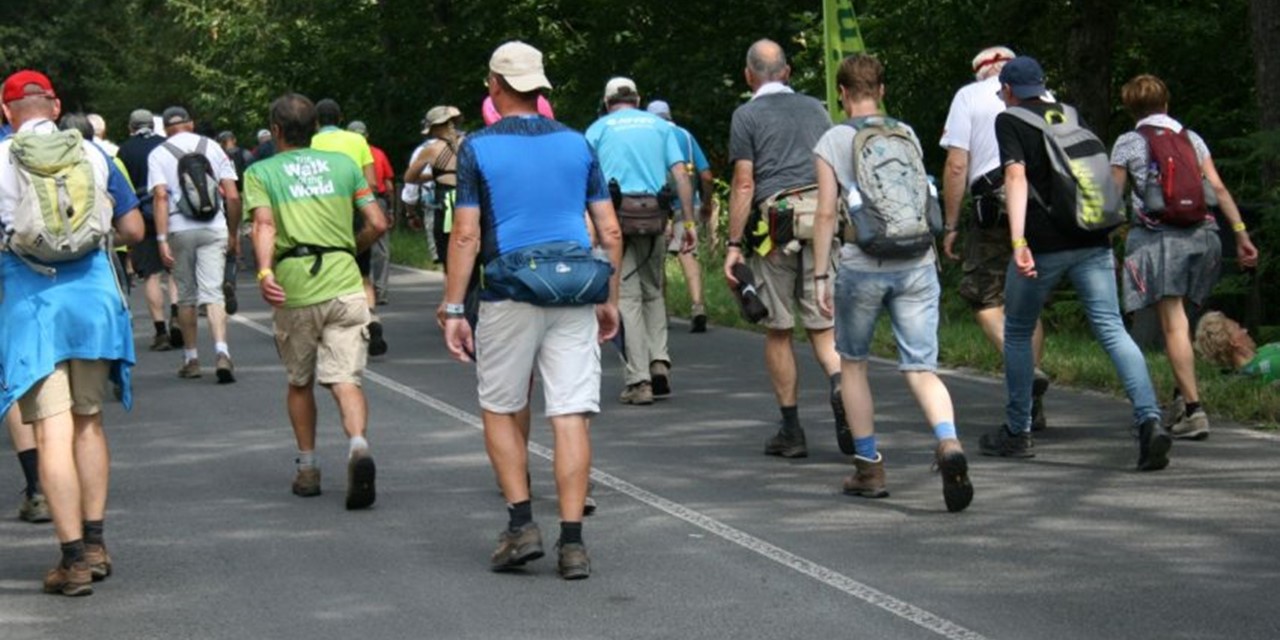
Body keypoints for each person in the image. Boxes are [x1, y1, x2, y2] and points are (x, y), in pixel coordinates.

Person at [442, 41, 622, 579]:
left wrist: (454, 307)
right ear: (541, 88)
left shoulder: (477, 147)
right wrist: (608, 300)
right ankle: (573, 544)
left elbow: (467, 232)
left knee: (501, 405)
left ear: (494, 87)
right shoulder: (578, 144)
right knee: (569, 413)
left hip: (509, 292)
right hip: (574, 291)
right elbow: (609, 230)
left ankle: (521, 524)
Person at [978, 57, 1169, 471]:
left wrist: (1017, 240)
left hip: (1044, 243)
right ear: (1042, 86)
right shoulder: (1068, 113)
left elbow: (1015, 178)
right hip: (1092, 237)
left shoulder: (1010, 121)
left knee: (1016, 330)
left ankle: (1017, 431)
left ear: (1008, 91)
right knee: (1112, 329)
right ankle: (1149, 419)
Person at [0, 70, 145, 595]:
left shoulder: (0, 159)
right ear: (55, 106)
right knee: (90, 422)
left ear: (5, 112)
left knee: (50, 432)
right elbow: (133, 230)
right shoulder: (95, 155)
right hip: (94, 305)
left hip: (33, 308)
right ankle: (98, 542)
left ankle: (72, 560)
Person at [811, 53, 973, 512]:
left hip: (863, 263)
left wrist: (822, 274)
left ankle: (869, 468)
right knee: (922, 368)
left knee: (854, 363)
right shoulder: (907, 133)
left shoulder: (832, 140)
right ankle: (948, 443)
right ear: (881, 90)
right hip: (917, 259)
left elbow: (826, 213)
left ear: (842, 94)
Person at [244, 93, 387, 510]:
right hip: (345, 283)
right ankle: (358, 444)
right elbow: (378, 222)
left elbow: (264, 224)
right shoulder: (343, 166)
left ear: (275, 131)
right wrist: (348, 247)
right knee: (346, 379)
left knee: (299, 380)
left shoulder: (261, 172)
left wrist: (266, 272)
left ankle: (308, 468)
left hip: (296, 287)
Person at [1110, 73, 1261, 440]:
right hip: (1205, 237)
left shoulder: (1129, 142)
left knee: (1173, 325)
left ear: (1132, 108)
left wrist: (1105, 236)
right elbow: (1218, 187)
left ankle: (1194, 410)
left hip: (1162, 240)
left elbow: (1111, 198)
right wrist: (1240, 234)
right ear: (1167, 103)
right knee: (1186, 319)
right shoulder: (1190, 138)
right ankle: (1180, 400)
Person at [722, 39, 848, 458]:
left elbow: (744, 182)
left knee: (779, 328)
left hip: (778, 224)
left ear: (748, 75)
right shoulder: (816, 109)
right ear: (788, 72)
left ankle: (791, 431)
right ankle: (841, 386)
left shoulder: (746, 115)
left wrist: (734, 244)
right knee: (822, 326)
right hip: (824, 219)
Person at [940, 46, 1051, 431]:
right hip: (1041, 206)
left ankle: (1026, 369)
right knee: (1028, 304)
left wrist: (950, 225)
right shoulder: (1048, 99)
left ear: (980, 73)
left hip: (995, 206)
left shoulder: (968, 96)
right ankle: (1030, 401)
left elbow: (957, 164)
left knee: (983, 296)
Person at [586, 78, 696, 405]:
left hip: (616, 222)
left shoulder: (597, 130)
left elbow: (586, 180)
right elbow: (680, 175)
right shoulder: (660, 127)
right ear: (637, 99)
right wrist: (686, 222)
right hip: (655, 218)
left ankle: (639, 379)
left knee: (628, 298)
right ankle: (659, 360)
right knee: (653, 292)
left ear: (607, 102)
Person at [148, 106, 242, 383]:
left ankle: (191, 359)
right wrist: (234, 233)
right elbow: (233, 196)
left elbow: (161, 197)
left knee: (187, 295)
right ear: (191, 123)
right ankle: (222, 352)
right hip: (214, 226)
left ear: (165, 129)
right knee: (214, 293)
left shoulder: (159, 153)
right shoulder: (213, 147)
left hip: (180, 229)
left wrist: (162, 239)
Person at [310, 99, 387, 356]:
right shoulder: (358, 141)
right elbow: (373, 183)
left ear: (317, 121)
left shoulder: (312, 143)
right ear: (340, 117)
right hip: (355, 210)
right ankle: (372, 318)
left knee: (326, 268)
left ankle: (332, 326)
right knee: (362, 271)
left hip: (324, 214)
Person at [647, 99, 716, 333]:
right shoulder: (685, 136)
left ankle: (661, 313)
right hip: (688, 204)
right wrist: (706, 203)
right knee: (688, 253)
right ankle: (698, 306)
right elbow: (706, 175)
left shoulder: (650, 136)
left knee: (656, 257)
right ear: (669, 114)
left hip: (656, 205)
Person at [118, 108, 181, 351]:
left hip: (142, 215)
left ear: (131, 127)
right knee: (173, 268)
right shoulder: (166, 145)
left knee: (151, 275)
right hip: (168, 211)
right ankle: (176, 315)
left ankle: (160, 331)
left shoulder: (125, 150)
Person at [404, 105, 464, 268]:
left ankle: (453, 292)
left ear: (436, 127)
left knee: (448, 259)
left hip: (444, 207)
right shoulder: (471, 142)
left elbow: (409, 178)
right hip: (469, 201)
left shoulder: (430, 150)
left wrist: (437, 175)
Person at [347, 120, 396, 306]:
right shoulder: (378, 153)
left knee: (355, 243)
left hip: (354, 201)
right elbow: (388, 185)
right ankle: (380, 290)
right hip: (377, 198)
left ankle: (355, 288)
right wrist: (390, 209)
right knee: (381, 248)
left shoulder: (345, 153)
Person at [1194, 312, 1278, 384]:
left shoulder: (1261, 351)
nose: (1245, 330)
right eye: (1239, 328)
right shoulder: (1266, 367)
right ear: (1234, 342)